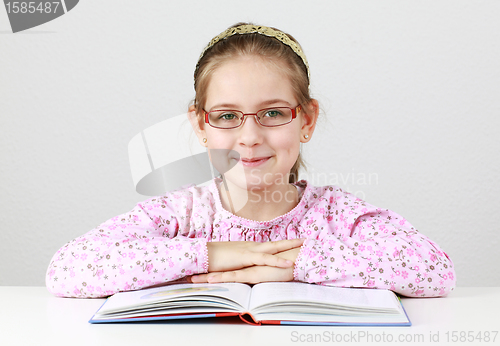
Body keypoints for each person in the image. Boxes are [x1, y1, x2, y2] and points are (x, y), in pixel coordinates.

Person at [46, 23, 455, 298]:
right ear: (201, 124)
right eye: (226, 116)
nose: (250, 137)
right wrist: (216, 254)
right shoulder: (182, 214)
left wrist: (295, 263)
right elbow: (67, 270)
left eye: (273, 113)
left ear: (306, 119)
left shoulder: (336, 214)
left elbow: (435, 271)